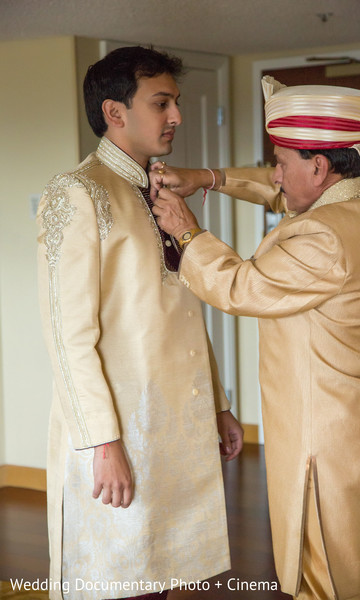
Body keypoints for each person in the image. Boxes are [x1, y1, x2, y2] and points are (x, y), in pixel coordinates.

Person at [150, 77, 360, 600]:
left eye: (283, 161)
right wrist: (207, 177)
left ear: (320, 167)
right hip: (355, 421)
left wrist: (187, 230)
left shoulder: (325, 235)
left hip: (320, 437)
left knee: (323, 573)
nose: (276, 175)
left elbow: (242, 287)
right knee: (351, 563)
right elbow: (278, 190)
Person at [37, 45, 243, 600]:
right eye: (162, 102)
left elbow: (182, 305)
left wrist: (218, 403)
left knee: (160, 577)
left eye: (174, 102)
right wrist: (103, 443)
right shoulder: (76, 193)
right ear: (114, 112)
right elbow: (67, 334)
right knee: (119, 579)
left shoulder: (160, 188)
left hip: (173, 423)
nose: (176, 116)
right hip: (119, 431)